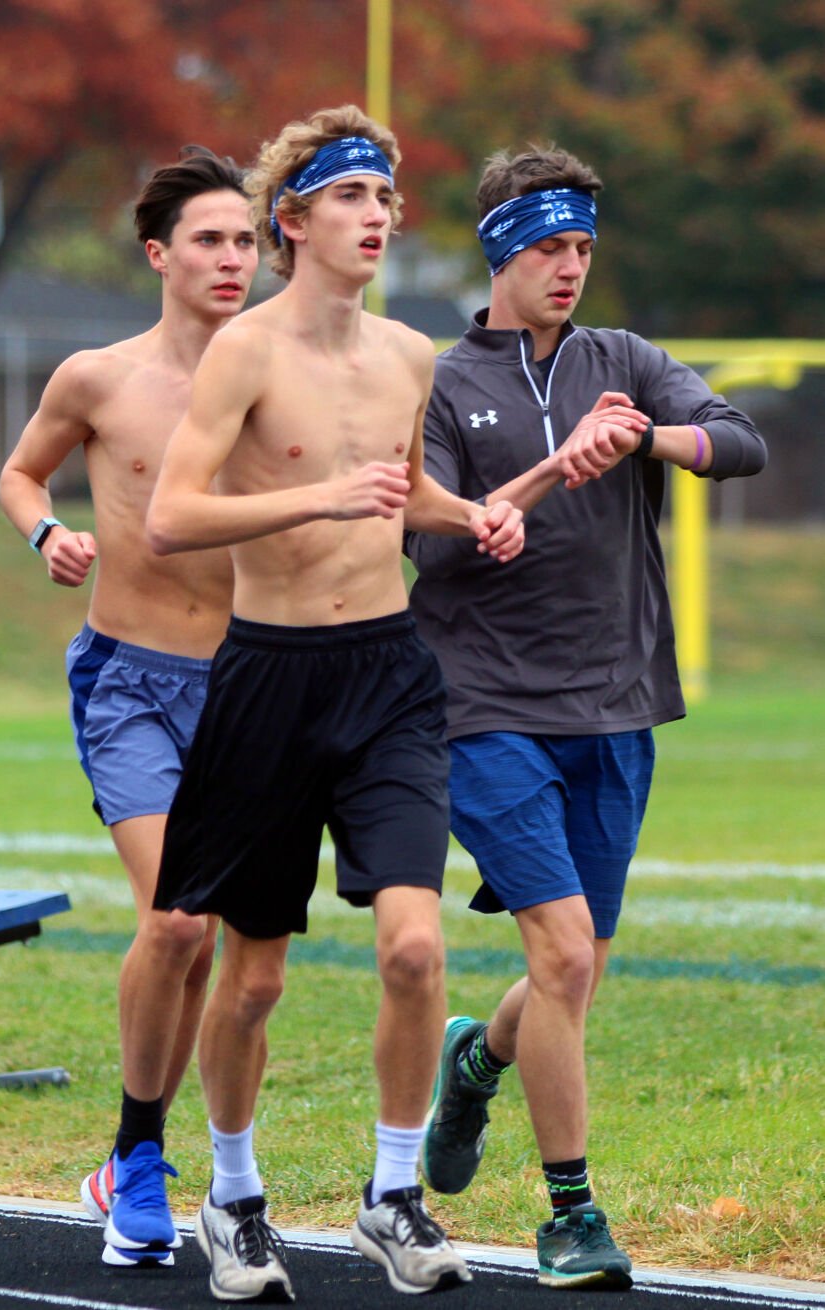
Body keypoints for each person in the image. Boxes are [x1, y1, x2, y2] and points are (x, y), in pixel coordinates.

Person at [145, 105, 525, 1303]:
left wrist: (470, 515)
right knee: (252, 979)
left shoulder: (412, 355)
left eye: (389, 197)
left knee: (416, 946)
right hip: (267, 679)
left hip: (388, 677)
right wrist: (306, 505)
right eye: (355, 197)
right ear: (293, 220)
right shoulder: (243, 352)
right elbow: (172, 516)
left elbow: (399, 490)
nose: (378, 217)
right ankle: (234, 1194)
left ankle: (392, 1193)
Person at [407, 146, 766, 1289]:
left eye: (582, 250)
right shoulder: (440, 381)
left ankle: (476, 1058)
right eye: (550, 248)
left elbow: (738, 444)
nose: (570, 269)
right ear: (503, 250)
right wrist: (530, 487)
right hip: (486, 705)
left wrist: (645, 438)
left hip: (616, 704)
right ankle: (572, 1211)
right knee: (561, 950)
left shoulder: (626, 361)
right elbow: (422, 536)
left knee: (576, 970)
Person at [0, 148, 257, 1269]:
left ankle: (187, 1163)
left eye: (248, 239)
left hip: (252, 687)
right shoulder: (97, 377)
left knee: (219, 950)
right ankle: (139, 1156)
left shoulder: (282, 374)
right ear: (159, 254)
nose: (233, 258)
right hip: (131, 681)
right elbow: (20, 473)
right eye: (210, 239)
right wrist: (46, 531)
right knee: (177, 922)